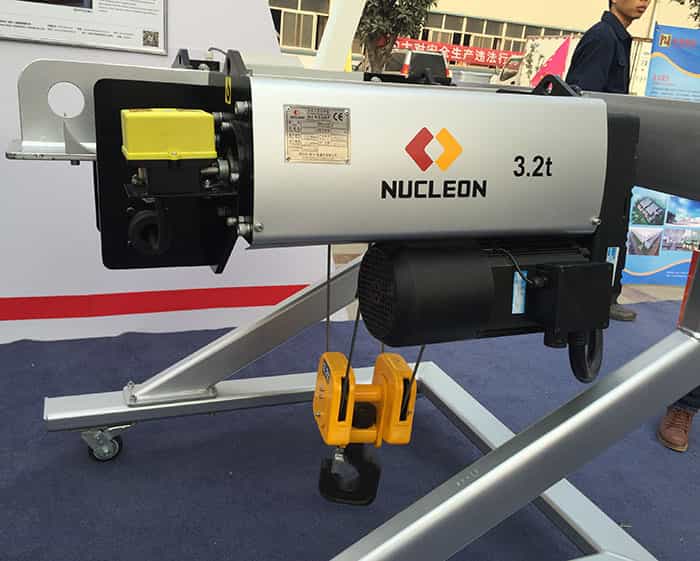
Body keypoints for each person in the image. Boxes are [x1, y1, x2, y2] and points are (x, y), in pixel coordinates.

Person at [566, 0, 650, 322]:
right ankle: (597, 297)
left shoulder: (617, 38)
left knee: (611, 226)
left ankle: (602, 296)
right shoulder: (603, 37)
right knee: (604, 227)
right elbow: (582, 100)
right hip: (598, 155)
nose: (644, 1)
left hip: (609, 153)